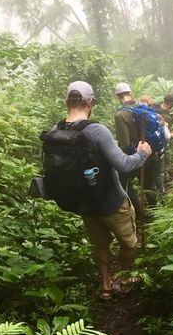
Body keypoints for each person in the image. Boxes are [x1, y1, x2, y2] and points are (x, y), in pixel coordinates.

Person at [49, 81, 152, 300]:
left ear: (67, 101)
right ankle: (125, 278)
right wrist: (142, 154)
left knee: (100, 244)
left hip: (82, 202)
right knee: (129, 242)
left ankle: (105, 284)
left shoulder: (55, 131)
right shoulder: (96, 130)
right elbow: (124, 164)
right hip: (111, 200)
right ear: (90, 102)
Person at [114, 82, 143, 219]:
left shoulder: (120, 115)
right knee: (148, 183)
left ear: (118, 96)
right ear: (130, 93)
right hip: (150, 151)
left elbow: (124, 143)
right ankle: (155, 212)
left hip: (134, 155)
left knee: (123, 182)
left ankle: (137, 213)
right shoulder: (142, 106)